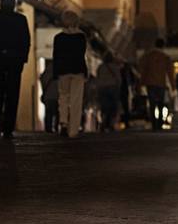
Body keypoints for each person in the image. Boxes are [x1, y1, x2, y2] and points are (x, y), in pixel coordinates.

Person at [0, 0, 31, 138]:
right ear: (14, 4)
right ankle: (8, 128)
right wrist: (23, 59)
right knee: (12, 95)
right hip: (14, 62)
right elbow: (25, 40)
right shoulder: (20, 19)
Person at [53, 9, 88, 138]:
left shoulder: (58, 38)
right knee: (76, 100)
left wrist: (55, 73)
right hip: (78, 70)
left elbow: (56, 56)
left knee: (63, 97)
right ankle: (73, 130)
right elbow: (82, 55)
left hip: (63, 71)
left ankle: (63, 122)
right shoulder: (81, 37)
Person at [138, 38, 175, 130]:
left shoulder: (148, 56)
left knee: (152, 104)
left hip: (150, 83)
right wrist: (173, 85)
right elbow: (170, 72)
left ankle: (154, 123)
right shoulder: (165, 57)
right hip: (161, 84)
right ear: (163, 46)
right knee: (161, 103)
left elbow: (143, 71)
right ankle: (160, 123)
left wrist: (141, 83)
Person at [95, 53, 121, 132]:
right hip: (112, 88)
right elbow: (118, 78)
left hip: (102, 88)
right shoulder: (114, 67)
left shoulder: (100, 67)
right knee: (113, 107)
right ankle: (111, 124)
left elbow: (98, 77)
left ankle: (103, 122)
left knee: (104, 106)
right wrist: (118, 87)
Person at [39, 61, 58, 133]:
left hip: (48, 96)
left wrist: (44, 90)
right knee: (57, 112)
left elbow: (41, 79)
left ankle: (48, 128)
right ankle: (56, 127)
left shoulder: (46, 72)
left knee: (48, 113)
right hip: (56, 96)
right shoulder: (57, 72)